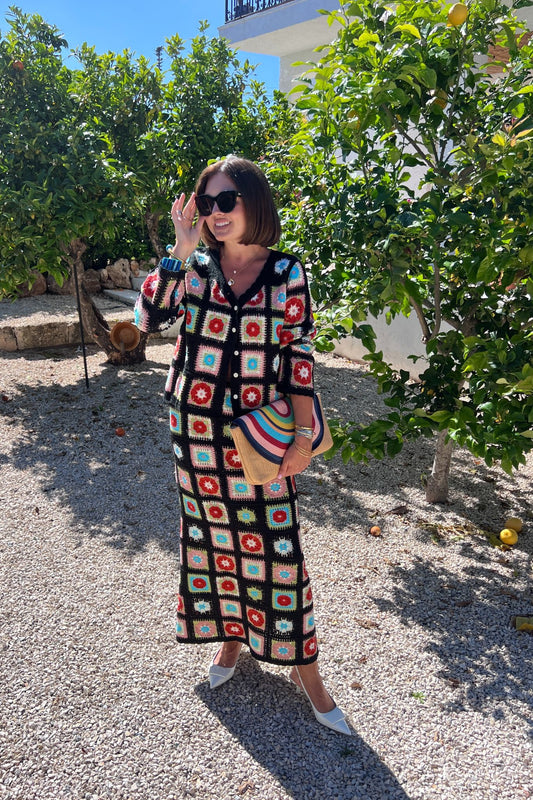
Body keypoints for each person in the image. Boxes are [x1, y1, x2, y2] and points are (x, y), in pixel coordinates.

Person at [134, 155, 350, 735]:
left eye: (226, 200)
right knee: (211, 542)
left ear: (253, 201)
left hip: (258, 436)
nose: (216, 212)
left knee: (279, 551)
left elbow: (299, 358)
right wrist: (179, 250)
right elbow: (150, 318)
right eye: (207, 203)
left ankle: (307, 672)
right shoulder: (195, 267)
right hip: (196, 436)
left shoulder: (286, 273)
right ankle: (230, 640)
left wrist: (301, 437)